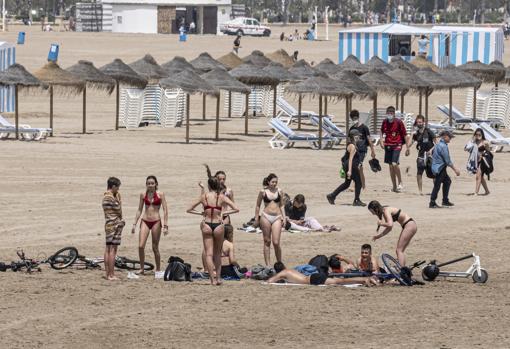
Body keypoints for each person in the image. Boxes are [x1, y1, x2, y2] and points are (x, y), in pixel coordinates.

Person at [187, 166, 239, 285]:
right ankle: (219, 278)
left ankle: (212, 280)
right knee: (217, 253)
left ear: (209, 186)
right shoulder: (221, 197)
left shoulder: (204, 196)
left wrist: (201, 213)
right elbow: (236, 209)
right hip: (218, 224)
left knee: (208, 254)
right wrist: (223, 212)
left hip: (206, 224)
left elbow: (189, 209)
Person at [132, 176, 169, 276]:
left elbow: (165, 210)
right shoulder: (143, 194)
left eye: (152, 183)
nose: (150, 185)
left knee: (155, 247)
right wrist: (134, 223)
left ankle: (157, 269)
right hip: (145, 220)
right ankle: (142, 268)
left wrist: (165, 225)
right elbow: (139, 209)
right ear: (146, 184)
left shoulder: (160, 194)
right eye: (148, 183)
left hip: (156, 221)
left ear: (156, 184)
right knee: (140, 246)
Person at [368, 200, 417, 267]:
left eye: (372, 211)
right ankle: (403, 268)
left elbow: (390, 225)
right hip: (409, 225)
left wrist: (381, 223)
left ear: (376, 209)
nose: (372, 214)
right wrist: (378, 236)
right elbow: (389, 229)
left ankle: (402, 271)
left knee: (399, 251)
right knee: (400, 251)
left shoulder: (386, 211)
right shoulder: (384, 211)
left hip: (409, 225)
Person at [327, 129, 366, 206]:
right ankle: (356, 200)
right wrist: (349, 171)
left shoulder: (350, 144)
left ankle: (332, 196)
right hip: (351, 167)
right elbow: (351, 159)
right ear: (353, 137)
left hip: (348, 166)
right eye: (357, 136)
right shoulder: (353, 146)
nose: (358, 137)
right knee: (359, 183)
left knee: (346, 184)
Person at [255, 174, 286, 266]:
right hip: (265, 216)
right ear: (268, 182)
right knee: (267, 241)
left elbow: (282, 205)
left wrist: (284, 217)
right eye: (273, 182)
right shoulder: (263, 191)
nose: (274, 184)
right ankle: (268, 265)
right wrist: (256, 218)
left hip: (277, 217)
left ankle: (279, 263)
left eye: (276, 182)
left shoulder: (279, 191)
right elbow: (258, 205)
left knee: (276, 242)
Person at [380, 106, 410, 192]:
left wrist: (407, 147)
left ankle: (400, 182)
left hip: (397, 144)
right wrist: (381, 141)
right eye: (388, 113)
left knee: (394, 164)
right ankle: (394, 186)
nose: (389, 115)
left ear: (393, 114)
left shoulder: (399, 122)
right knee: (390, 166)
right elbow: (381, 131)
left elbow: (405, 135)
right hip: (388, 145)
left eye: (391, 113)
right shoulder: (384, 122)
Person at [267, 263, 377, 286]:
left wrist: (273, 278)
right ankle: (364, 279)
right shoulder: (289, 270)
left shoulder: (283, 273)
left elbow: (269, 282)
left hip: (312, 280)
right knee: (339, 281)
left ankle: (364, 279)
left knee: (340, 281)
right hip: (313, 277)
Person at [102, 177, 125, 281]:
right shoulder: (110, 197)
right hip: (114, 224)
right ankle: (111, 274)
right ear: (114, 186)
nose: (118, 190)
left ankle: (108, 274)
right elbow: (118, 209)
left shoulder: (105, 196)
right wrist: (119, 200)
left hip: (108, 224)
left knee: (107, 249)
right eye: (118, 187)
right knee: (112, 250)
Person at [430, 130, 460, 208]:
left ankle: (445, 200)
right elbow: (447, 161)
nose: (450, 139)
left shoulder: (438, 144)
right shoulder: (443, 146)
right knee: (437, 185)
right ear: (445, 137)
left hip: (437, 167)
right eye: (450, 137)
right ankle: (432, 202)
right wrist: (455, 169)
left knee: (447, 181)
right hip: (440, 168)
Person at [349, 109, 376, 190]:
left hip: (362, 150)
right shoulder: (351, 129)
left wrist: (373, 151)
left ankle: (354, 186)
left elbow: (369, 139)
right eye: (353, 118)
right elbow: (349, 141)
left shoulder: (364, 128)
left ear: (358, 117)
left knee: (358, 166)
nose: (354, 120)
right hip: (354, 151)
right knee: (359, 168)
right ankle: (363, 186)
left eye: (355, 118)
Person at [410, 115, 436, 195]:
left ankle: (436, 190)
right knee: (419, 173)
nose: (419, 123)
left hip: (430, 156)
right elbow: (409, 145)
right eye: (418, 122)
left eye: (420, 122)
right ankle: (420, 191)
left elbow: (436, 144)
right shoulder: (416, 134)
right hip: (421, 155)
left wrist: (431, 150)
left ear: (423, 122)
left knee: (433, 173)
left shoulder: (428, 131)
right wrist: (411, 135)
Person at [464, 128, 491, 195]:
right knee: (481, 177)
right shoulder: (473, 142)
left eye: (479, 134)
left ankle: (476, 192)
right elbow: (465, 149)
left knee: (478, 176)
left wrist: (486, 146)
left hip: (482, 161)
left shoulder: (485, 142)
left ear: (482, 134)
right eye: (476, 134)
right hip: (475, 161)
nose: (478, 135)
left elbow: (488, 152)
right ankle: (487, 191)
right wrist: (472, 140)